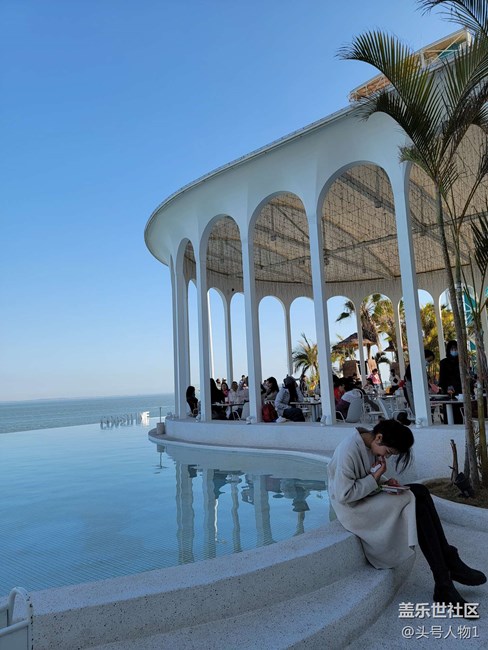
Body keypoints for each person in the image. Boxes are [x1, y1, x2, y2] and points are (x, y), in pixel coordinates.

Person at [327, 419, 486, 605]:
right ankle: (445, 577)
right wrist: (375, 476)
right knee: (413, 500)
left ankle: (447, 568)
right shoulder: (348, 450)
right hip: (354, 510)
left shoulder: (370, 445)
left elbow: (366, 478)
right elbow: (344, 494)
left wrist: (385, 482)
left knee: (421, 491)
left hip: (366, 498)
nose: (386, 457)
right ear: (379, 438)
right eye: (388, 452)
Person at [404, 349, 435, 416]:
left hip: (419, 394)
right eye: (428, 360)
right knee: (416, 411)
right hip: (412, 392)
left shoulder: (422, 368)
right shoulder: (413, 366)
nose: (429, 363)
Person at [439, 340, 463, 424]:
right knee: (450, 412)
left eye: (456, 349)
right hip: (449, 391)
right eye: (452, 349)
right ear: (448, 350)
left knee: (460, 413)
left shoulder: (462, 361)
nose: (454, 351)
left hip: (460, 390)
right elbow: (442, 378)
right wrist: (446, 388)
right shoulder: (444, 362)